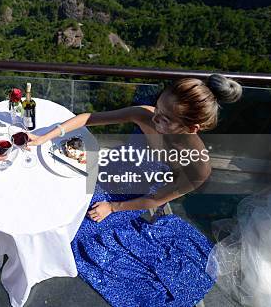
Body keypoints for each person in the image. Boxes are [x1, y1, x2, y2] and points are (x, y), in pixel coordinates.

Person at [29, 74, 242, 306]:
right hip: (110, 170)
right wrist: (44, 137)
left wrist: (112, 207)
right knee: (53, 194)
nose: (155, 118)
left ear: (192, 128)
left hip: (135, 197)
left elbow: (154, 200)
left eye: (166, 119)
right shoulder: (145, 115)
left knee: (74, 230)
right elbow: (89, 118)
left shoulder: (199, 167)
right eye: (157, 108)